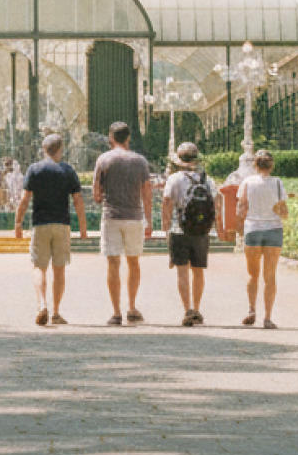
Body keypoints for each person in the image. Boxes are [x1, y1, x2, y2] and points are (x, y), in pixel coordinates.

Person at [15, 133, 87, 326]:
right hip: (62, 224)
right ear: (60, 149)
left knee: (39, 267)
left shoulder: (34, 169)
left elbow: (25, 199)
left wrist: (18, 223)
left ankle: (42, 305)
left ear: (44, 150)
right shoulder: (68, 170)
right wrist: (83, 228)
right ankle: (55, 312)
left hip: (40, 224)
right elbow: (78, 200)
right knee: (59, 269)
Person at [91, 121, 152, 326]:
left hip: (111, 216)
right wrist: (148, 219)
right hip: (134, 216)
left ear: (111, 138)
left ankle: (116, 312)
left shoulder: (103, 160)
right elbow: (147, 193)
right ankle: (132, 307)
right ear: (128, 138)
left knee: (113, 264)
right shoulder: (140, 161)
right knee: (133, 262)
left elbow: (96, 193)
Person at [160, 142, 217, 327]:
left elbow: (167, 202)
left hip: (179, 229)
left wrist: (165, 226)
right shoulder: (207, 180)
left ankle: (187, 310)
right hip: (201, 230)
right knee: (198, 271)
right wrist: (218, 227)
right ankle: (197, 308)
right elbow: (216, 203)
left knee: (182, 271)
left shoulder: (174, 179)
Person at [232, 150, 287, 329]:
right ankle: (268, 317)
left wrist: (242, 225)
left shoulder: (247, 182)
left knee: (252, 275)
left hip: (253, 228)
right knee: (270, 276)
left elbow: (241, 208)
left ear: (255, 165)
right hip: (273, 229)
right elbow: (284, 212)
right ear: (272, 165)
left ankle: (251, 310)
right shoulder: (277, 183)